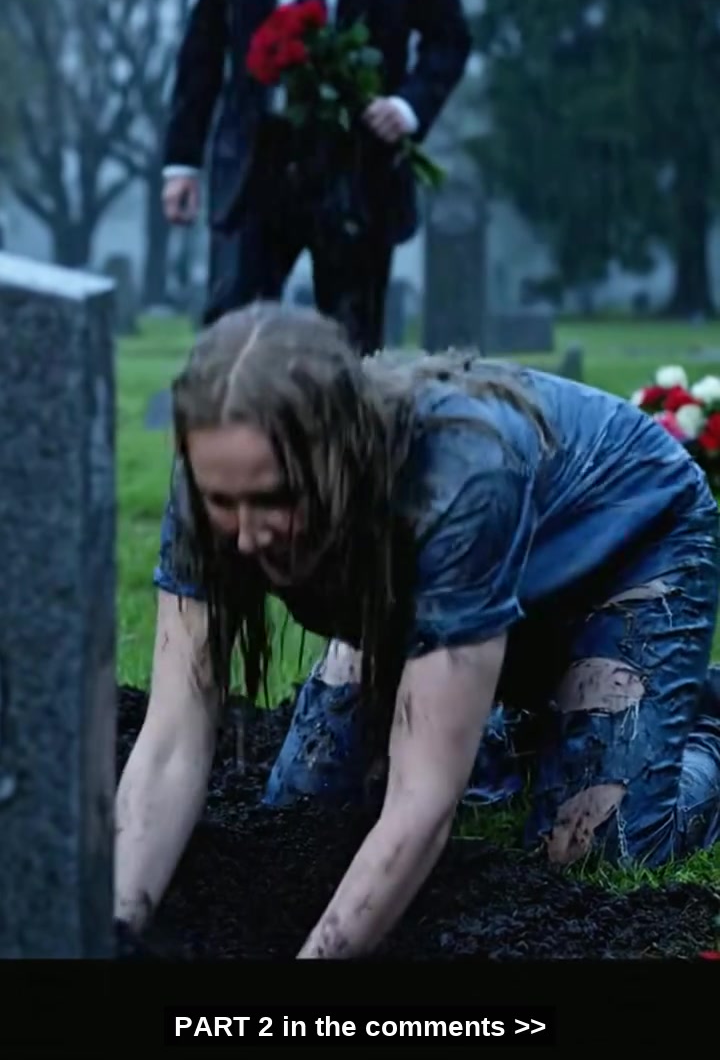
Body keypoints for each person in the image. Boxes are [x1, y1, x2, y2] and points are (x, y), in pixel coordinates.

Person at [114, 302, 720, 958]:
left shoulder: (457, 477)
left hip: (629, 545)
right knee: (304, 815)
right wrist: (112, 933)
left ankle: (702, 731)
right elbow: (171, 740)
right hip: (447, 587)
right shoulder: (219, 468)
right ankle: (532, 726)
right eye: (222, 503)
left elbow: (423, 799)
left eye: (276, 499)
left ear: (344, 460)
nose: (246, 536)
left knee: (591, 846)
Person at [161, 0, 471, 353]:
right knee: (232, 342)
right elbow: (204, 43)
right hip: (255, 164)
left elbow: (449, 39)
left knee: (352, 350)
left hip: (357, 166)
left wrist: (407, 107)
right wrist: (182, 161)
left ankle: (345, 416)